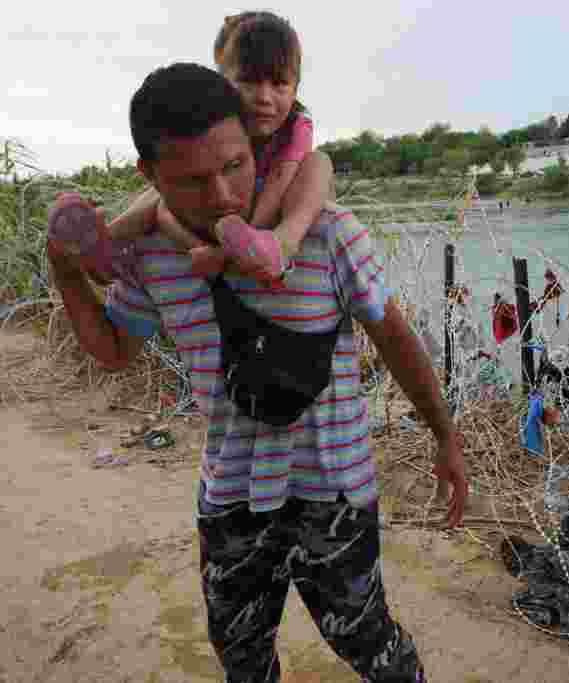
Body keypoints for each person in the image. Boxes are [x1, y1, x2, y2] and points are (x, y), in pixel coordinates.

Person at [46, 62, 468, 683]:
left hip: (335, 492)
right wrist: (64, 273)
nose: (221, 195)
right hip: (231, 500)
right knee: (241, 656)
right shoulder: (153, 258)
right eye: (191, 181)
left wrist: (445, 436)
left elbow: (397, 338)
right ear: (149, 177)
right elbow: (112, 351)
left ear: (253, 144)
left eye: (234, 166)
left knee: (370, 645)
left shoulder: (326, 234)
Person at [49, 11, 332, 287]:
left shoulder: (296, 125)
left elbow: (281, 180)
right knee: (163, 195)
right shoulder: (224, 124)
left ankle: (283, 242)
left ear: (295, 88)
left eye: (279, 84)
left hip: (272, 205)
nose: (264, 98)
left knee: (319, 164)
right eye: (249, 82)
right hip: (218, 225)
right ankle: (105, 247)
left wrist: (252, 235)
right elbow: (167, 203)